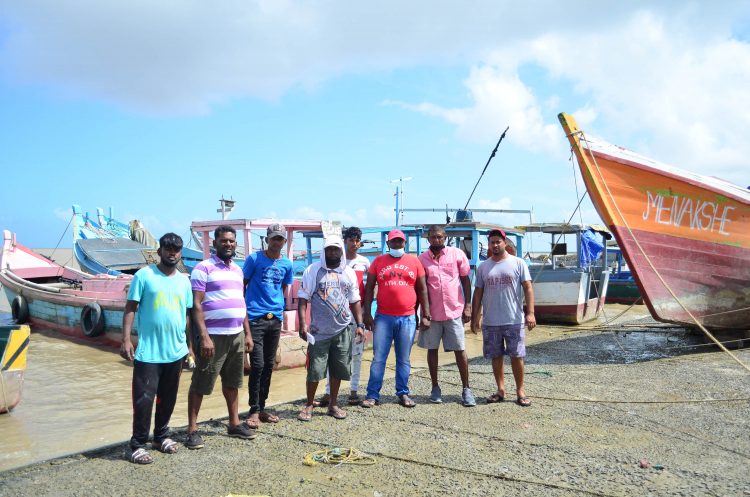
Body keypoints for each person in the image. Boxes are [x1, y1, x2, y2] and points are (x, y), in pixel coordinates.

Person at [121, 233, 193, 465]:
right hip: (148, 352)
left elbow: (187, 315)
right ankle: (137, 445)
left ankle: (160, 436)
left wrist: (189, 348)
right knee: (144, 399)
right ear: (159, 250)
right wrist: (125, 340)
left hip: (176, 350)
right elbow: (131, 308)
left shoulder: (184, 280)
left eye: (177, 249)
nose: (172, 252)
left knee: (168, 398)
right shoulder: (143, 276)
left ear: (180, 252)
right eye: (168, 248)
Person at [186, 226, 256, 450]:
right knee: (201, 383)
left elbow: (241, 303)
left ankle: (234, 423)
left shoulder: (237, 270)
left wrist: (247, 334)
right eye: (224, 241)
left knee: (233, 383)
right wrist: (203, 337)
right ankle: (192, 430)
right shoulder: (203, 268)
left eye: (232, 241)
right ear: (215, 243)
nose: (228, 245)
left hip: (235, 334)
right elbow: (195, 305)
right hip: (212, 337)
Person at [296, 235, 364, 421]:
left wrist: (360, 325)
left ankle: (333, 404)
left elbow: (355, 300)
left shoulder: (348, 272)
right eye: (329, 249)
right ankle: (309, 405)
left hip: (343, 329)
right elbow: (303, 298)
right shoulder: (313, 270)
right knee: (315, 370)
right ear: (324, 251)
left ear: (341, 252)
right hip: (319, 332)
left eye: (336, 249)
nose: (333, 252)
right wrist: (303, 324)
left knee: (338, 368)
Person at [361, 229, 430, 408]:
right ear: (388, 244)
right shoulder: (378, 261)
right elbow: (369, 288)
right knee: (378, 358)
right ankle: (372, 394)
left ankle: (403, 393)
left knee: (404, 358)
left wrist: (425, 314)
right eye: (394, 242)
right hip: (383, 317)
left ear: (404, 243)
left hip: (407, 317)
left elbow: (422, 289)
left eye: (400, 242)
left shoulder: (414, 261)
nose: (397, 244)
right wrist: (367, 313)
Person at [471, 229, 536, 407]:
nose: (495, 245)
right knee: (496, 356)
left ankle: (520, 391)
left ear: (505, 242)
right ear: (489, 244)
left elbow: (528, 288)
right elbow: (478, 293)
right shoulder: (484, 267)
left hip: (514, 319)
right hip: (491, 321)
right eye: (492, 242)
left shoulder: (518, 263)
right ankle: (500, 390)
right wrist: (475, 317)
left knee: (517, 356)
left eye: (498, 241)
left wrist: (530, 313)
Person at [417, 225, 476, 407]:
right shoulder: (421, 260)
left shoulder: (456, 254)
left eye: (440, 237)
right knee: (431, 349)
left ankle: (466, 389)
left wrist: (468, 306)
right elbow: (420, 288)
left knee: (460, 350)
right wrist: (421, 315)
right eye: (434, 237)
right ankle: (435, 387)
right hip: (432, 314)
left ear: (445, 238)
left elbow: (465, 280)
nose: (437, 240)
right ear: (428, 239)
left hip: (454, 311)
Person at [243, 223, 294, 427]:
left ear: (284, 241)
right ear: (267, 239)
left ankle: (262, 407)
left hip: (275, 320)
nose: (277, 242)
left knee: (269, 366)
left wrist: (278, 311)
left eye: (280, 238)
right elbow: (242, 284)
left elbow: (282, 288)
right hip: (255, 319)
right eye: (273, 238)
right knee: (257, 365)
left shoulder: (287, 264)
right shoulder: (254, 259)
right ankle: (253, 410)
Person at [316, 226, 370, 407]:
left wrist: (366, 313)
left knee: (357, 353)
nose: (354, 244)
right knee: (334, 354)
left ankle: (353, 390)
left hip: (357, 315)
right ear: (344, 241)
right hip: (335, 316)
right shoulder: (336, 261)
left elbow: (370, 288)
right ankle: (328, 392)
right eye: (351, 240)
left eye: (357, 240)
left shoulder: (364, 262)